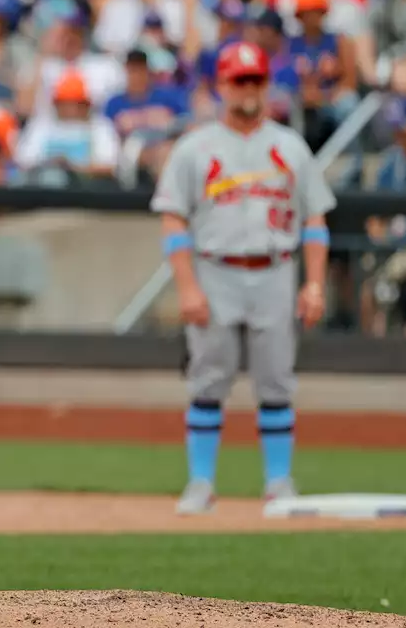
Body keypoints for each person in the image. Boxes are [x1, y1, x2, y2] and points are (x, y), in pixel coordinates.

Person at [150, 41, 335, 515]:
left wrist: (313, 283)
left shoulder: (289, 146)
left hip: (275, 269)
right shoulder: (196, 147)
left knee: (276, 381)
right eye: (239, 80)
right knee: (208, 379)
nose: (247, 89)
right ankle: (201, 483)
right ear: (222, 86)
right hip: (216, 269)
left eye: (255, 80)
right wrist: (187, 286)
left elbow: (315, 219)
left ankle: (278, 482)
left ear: (266, 84)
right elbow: (173, 220)